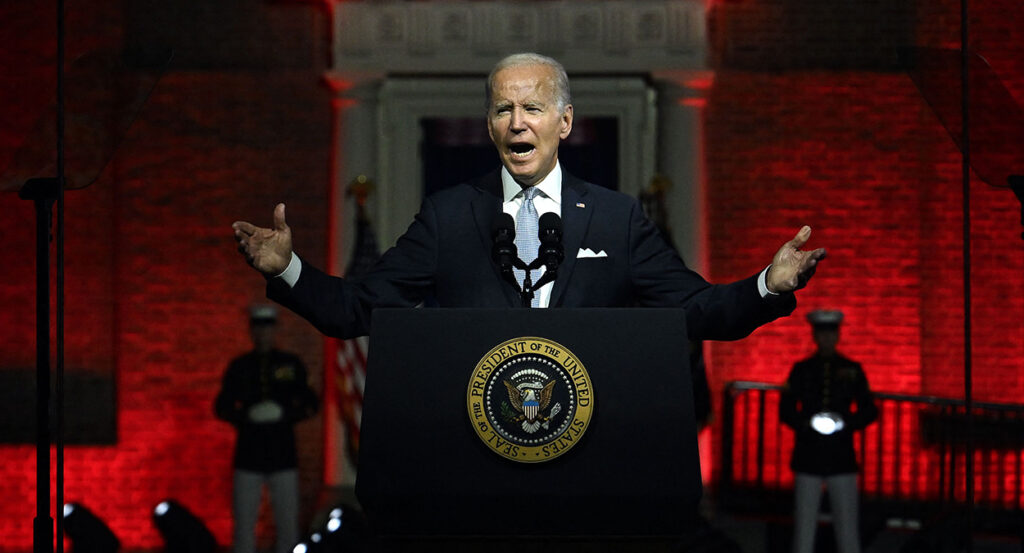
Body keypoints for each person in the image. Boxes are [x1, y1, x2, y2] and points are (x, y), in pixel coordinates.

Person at [231, 51, 826, 342]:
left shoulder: (617, 220)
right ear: (489, 124)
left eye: (533, 108)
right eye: (503, 109)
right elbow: (357, 308)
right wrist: (289, 270)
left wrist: (766, 286)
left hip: (587, 452)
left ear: (563, 123)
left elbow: (696, 311)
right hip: (476, 451)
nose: (518, 123)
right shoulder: (448, 215)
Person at [214, 305, 319, 553]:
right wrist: (245, 417)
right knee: (244, 526)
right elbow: (221, 406)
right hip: (248, 455)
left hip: (282, 454)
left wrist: (285, 414)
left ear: (275, 331)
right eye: (258, 328)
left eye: (267, 328)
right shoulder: (240, 367)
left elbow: (310, 403)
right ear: (252, 331)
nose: (263, 334)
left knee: (287, 526)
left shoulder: (290, 364)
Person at [779, 309, 878, 553]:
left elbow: (869, 410)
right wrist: (807, 423)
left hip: (840, 455)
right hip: (808, 454)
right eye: (822, 334)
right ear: (815, 336)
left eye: (830, 334)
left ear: (837, 336)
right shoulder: (802, 370)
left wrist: (845, 423)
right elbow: (786, 409)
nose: (826, 339)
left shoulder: (852, 369)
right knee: (804, 530)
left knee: (847, 530)